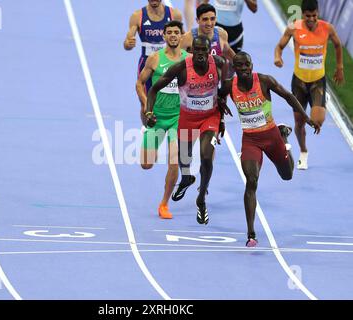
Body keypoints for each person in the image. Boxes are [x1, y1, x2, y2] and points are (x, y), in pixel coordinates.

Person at [218, 52, 321, 247]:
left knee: (287, 175)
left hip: (272, 137)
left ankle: (283, 136)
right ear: (235, 67)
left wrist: (305, 118)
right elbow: (218, 99)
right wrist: (221, 116)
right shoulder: (229, 85)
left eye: (247, 64)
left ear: (251, 64)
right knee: (251, 180)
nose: (244, 68)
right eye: (240, 65)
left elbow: (288, 96)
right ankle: (251, 233)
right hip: (250, 140)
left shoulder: (264, 81)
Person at [145, 35, 226, 225]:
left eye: (203, 50)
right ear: (191, 51)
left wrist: (221, 116)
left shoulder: (219, 64)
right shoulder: (181, 68)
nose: (199, 54)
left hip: (209, 118)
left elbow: (226, 89)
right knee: (184, 158)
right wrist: (149, 111)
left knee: (207, 156)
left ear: (209, 52)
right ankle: (186, 178)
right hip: (188, 118)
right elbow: (154, 90)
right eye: (196, 50)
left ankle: (201, 199)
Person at [274, 0, 344, 170]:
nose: (312, 19)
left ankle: (320, 102)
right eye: (308, 16)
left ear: (318, 13)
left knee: (317, 121)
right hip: (299, 81)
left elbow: (337, 45)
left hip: (317, 81)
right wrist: (278, 57)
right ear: (303, 14)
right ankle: (303, 151)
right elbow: (280, 45)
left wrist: (340, 67)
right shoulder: (294, 27)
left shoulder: (327, 28)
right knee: (299, 123)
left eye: (314, 15)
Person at [136, 21, 188, 219]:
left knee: (174, 162)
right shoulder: (155, 59)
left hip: (178, 118)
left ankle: (164, 204)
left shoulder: (189, 60)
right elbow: (140, 83)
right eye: (170, 33)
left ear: (182, 36)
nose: (173, 35)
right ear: (164, 36)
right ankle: (152, 143)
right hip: (156, 118)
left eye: (177, 32)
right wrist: (145, 106)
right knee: (146, 164)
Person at [124, 0, 182, 97]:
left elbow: (183, 38)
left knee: (171, 97)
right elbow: (127, 44)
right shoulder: (137, 16)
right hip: (147, 63)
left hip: (169, 62)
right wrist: (128, 44)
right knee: (145, 103)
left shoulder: (175, 14)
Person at [184, 0, 257, 53]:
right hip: (215, 32)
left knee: (233, 67)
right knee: (213, 64)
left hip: (235, 35)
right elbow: (204, 4)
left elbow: (254, 8)